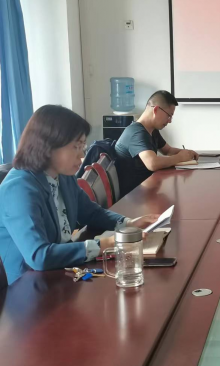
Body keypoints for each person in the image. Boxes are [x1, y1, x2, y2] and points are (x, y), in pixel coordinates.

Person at [0, 105, 159, 285]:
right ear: (48, 146)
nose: (82, 154)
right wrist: (106, 244)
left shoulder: (62, 175)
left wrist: (127, 223)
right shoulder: (19, 188)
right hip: (25, 285)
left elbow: (90, 212)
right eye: (76, 146)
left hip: (58, 272)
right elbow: (39, 256)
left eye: (83, 146)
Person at [115, 90, 198, 195]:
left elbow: (168, 150)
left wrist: (187, 153)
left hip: (147, 189)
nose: (170, 121)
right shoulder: (137, 133)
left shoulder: (151, 130)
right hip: (135, 196)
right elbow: (152, 163)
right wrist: (180, 157)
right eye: (169, 115)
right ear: (156, 110)